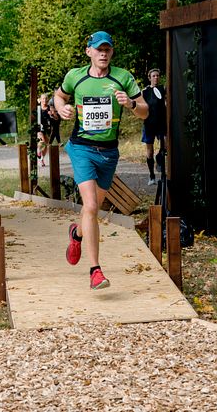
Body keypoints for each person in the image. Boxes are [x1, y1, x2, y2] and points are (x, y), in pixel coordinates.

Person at [53, 31, 148, 290]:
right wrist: (61, 108)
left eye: (107, 49)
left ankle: (76, 235)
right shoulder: (76, 76)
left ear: (111, 52)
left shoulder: (123, 77)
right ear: (89, 52)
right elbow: (59, 95)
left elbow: (144, 111)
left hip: (109, 152)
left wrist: (129, 103)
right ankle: (95, 271)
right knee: (92, 206)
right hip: (81, 147)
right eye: (98, 49)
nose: (103, 53)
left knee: (90, 211)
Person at [142, 68, 167, 185]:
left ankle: (160, 159)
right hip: (149, 124)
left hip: (161, 123)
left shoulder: (163, 89)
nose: (156, 77)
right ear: (149, 78)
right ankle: (151, 176)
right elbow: (141, 107)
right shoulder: (145, 92)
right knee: (149, 151)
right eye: (154, 76)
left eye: (157, 75)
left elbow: (167, 103)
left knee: (166, 145)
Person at [33, 93, 52, 167]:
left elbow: (56, 118)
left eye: (46, 98)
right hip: (39, 127)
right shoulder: (37, 108)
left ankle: (42, 159)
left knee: (46, 144)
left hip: (47, 128)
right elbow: (33, 117)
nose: (45, 100)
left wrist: (52, 115)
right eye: (43, 98)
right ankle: (38, 151)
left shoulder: (49, 108)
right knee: (42, 141)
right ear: (40, 100)